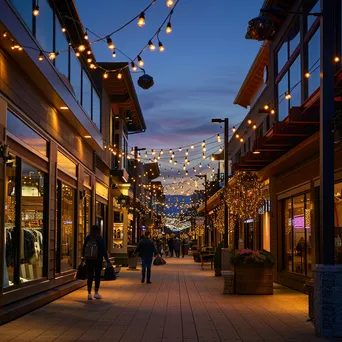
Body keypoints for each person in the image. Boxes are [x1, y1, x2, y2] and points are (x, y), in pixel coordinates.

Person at [82, 224, 110, 300]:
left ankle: (89, 293)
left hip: (89, 260)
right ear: (98, 230)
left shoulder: (88, 237)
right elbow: (104, 250)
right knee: (97, 276)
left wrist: (83, 258)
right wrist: (107, 260)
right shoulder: (100, 238)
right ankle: (96, 292)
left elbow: (84, 248)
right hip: (98, 260)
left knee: (90, 276)